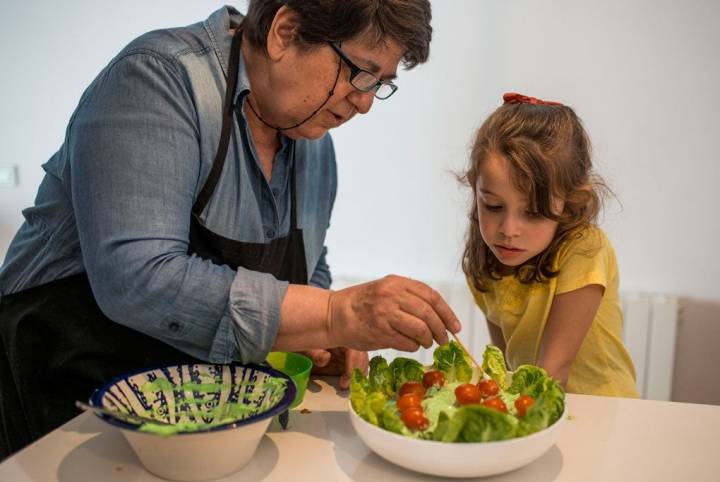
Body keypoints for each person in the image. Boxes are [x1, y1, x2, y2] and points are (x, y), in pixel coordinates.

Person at [0, 1, 461, 457]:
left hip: (200, 427)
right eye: (361, 72)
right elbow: (138, 279)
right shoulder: (157, 80)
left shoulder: (313, 144)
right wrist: (331, 313)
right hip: (66, 407)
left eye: (380, 85)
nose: (364, 102)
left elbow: (308, 264)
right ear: (285, 31)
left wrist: (318, 340)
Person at [461, 92, 638, 397]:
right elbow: (506, 366)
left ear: (570, 205)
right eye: (492, 205)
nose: (509, 230)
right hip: (538, 405)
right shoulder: (485, 259)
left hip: (603, 410)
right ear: (475, 187)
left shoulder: (584, 249)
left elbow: (554, 370)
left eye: (533, 212)